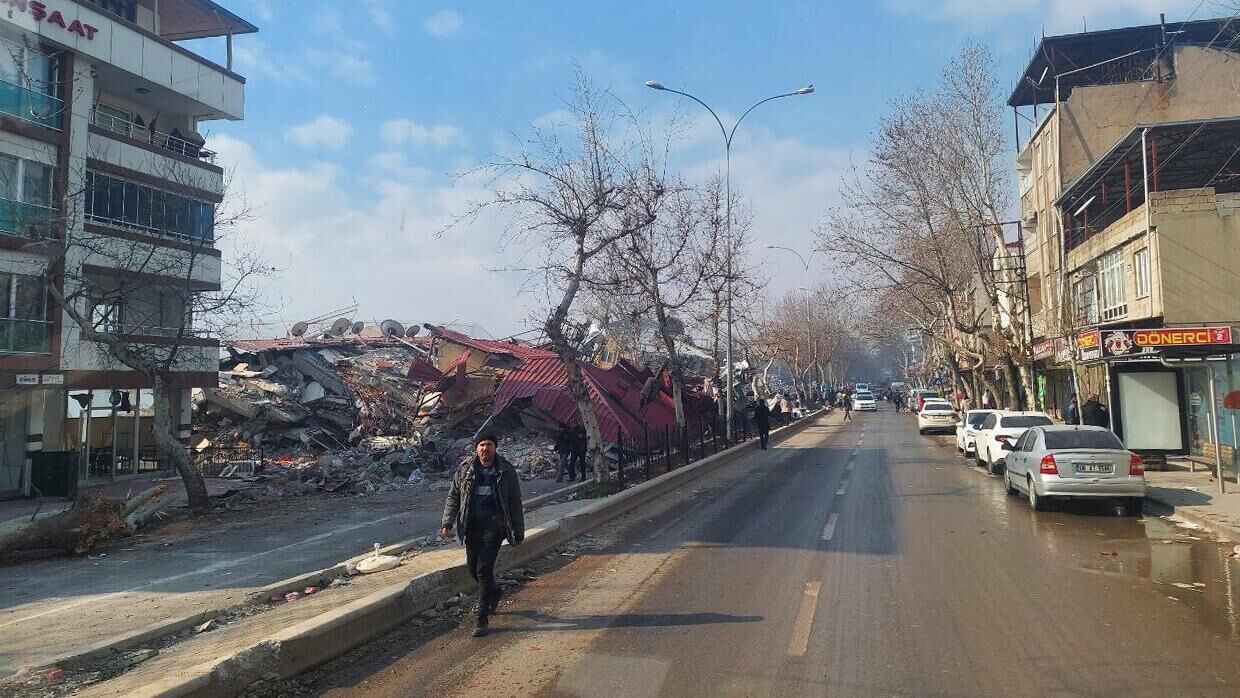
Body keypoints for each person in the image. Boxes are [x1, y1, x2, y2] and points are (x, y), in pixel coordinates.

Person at [441, 432, 525, 637]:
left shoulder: (505, 470)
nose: (485, 449)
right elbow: (454, 496)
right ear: (476, 448)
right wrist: (447, 522)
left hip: (495, 528)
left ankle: (482, 618)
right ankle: (494, 591)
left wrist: (518, 529)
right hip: (471, 527)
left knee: (483, 569)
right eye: (481, 445)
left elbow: (515, 501)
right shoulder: (465, 470)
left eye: (489, 444)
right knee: (472, 569)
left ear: (495, 448)